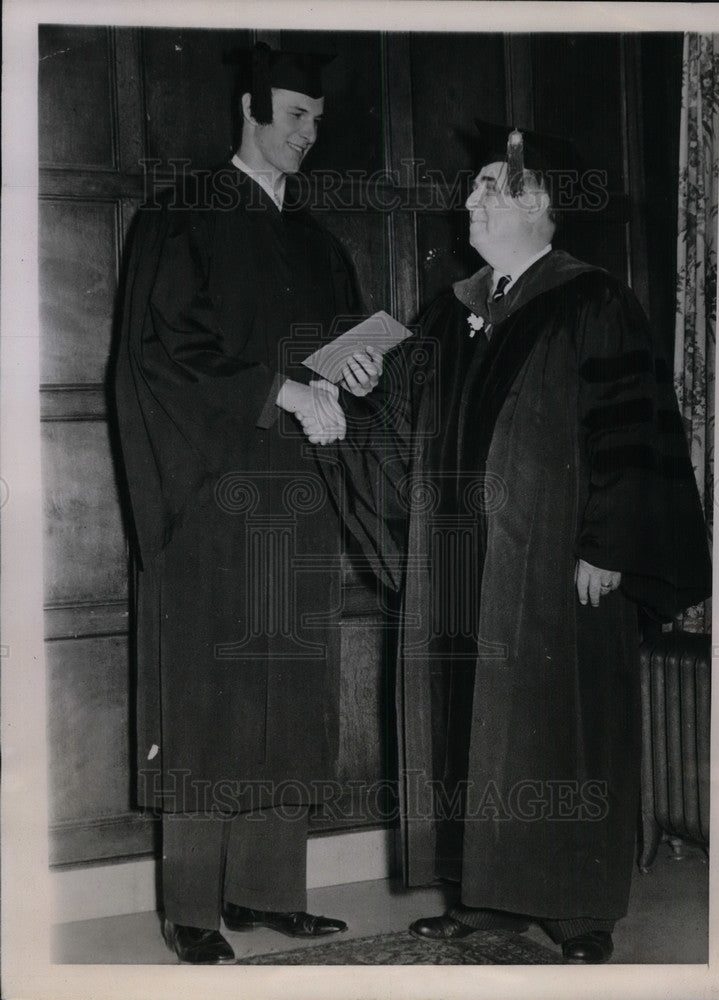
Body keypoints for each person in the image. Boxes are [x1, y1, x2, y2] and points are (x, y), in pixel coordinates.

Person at [311, 123, 711, 963]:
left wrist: (608, 544)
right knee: (469, 727)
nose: (468, 199)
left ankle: (576, 908)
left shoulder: (591, 299)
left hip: (555, 566)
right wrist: (363, 386)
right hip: (463, 569)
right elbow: (403, 423)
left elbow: (631, 428)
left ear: (535, 205)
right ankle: (485, 896)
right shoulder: (454, 310)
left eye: (487, 187)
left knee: (557, 728)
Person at [114, 42, 380, 964]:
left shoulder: (315, 241)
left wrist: (352, 370)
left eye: (317, 120)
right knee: (212, 696)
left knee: (285, 687)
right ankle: (190, 905)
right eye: (296, 115)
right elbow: (162, 355)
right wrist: (281, 396)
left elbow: (333, 360)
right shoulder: (178, 217)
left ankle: (268, 892)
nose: (309, 134)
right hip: (209, 499)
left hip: (295, 499)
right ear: (249, 108)